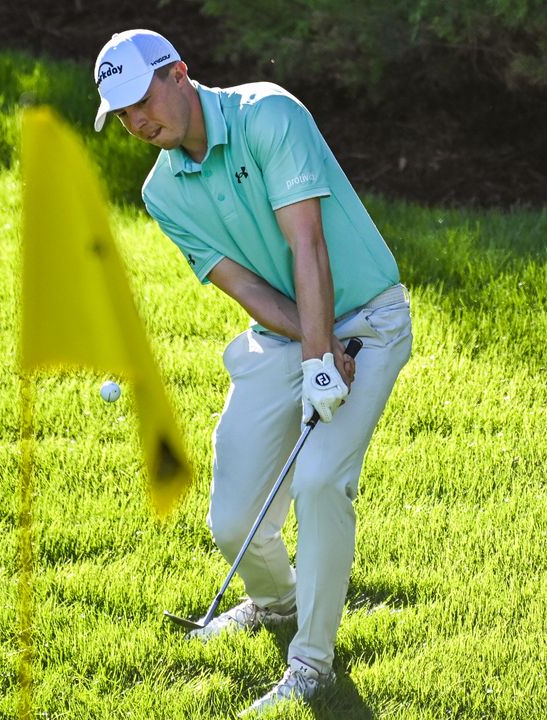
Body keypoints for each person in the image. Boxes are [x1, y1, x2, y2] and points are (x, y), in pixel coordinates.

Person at [92, 29, 412, 715]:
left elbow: (309, 246)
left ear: (179, 73)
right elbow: (252, 293)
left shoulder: (269, 115)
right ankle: (275, 603)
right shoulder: (162, 192)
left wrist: (328, 360)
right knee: (234, 519)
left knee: (322, 480)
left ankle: (313, 666)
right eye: (122, 114)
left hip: (369, 321)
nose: (138, 121)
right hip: (281, 337)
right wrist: (315, 350)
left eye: (142, 99)